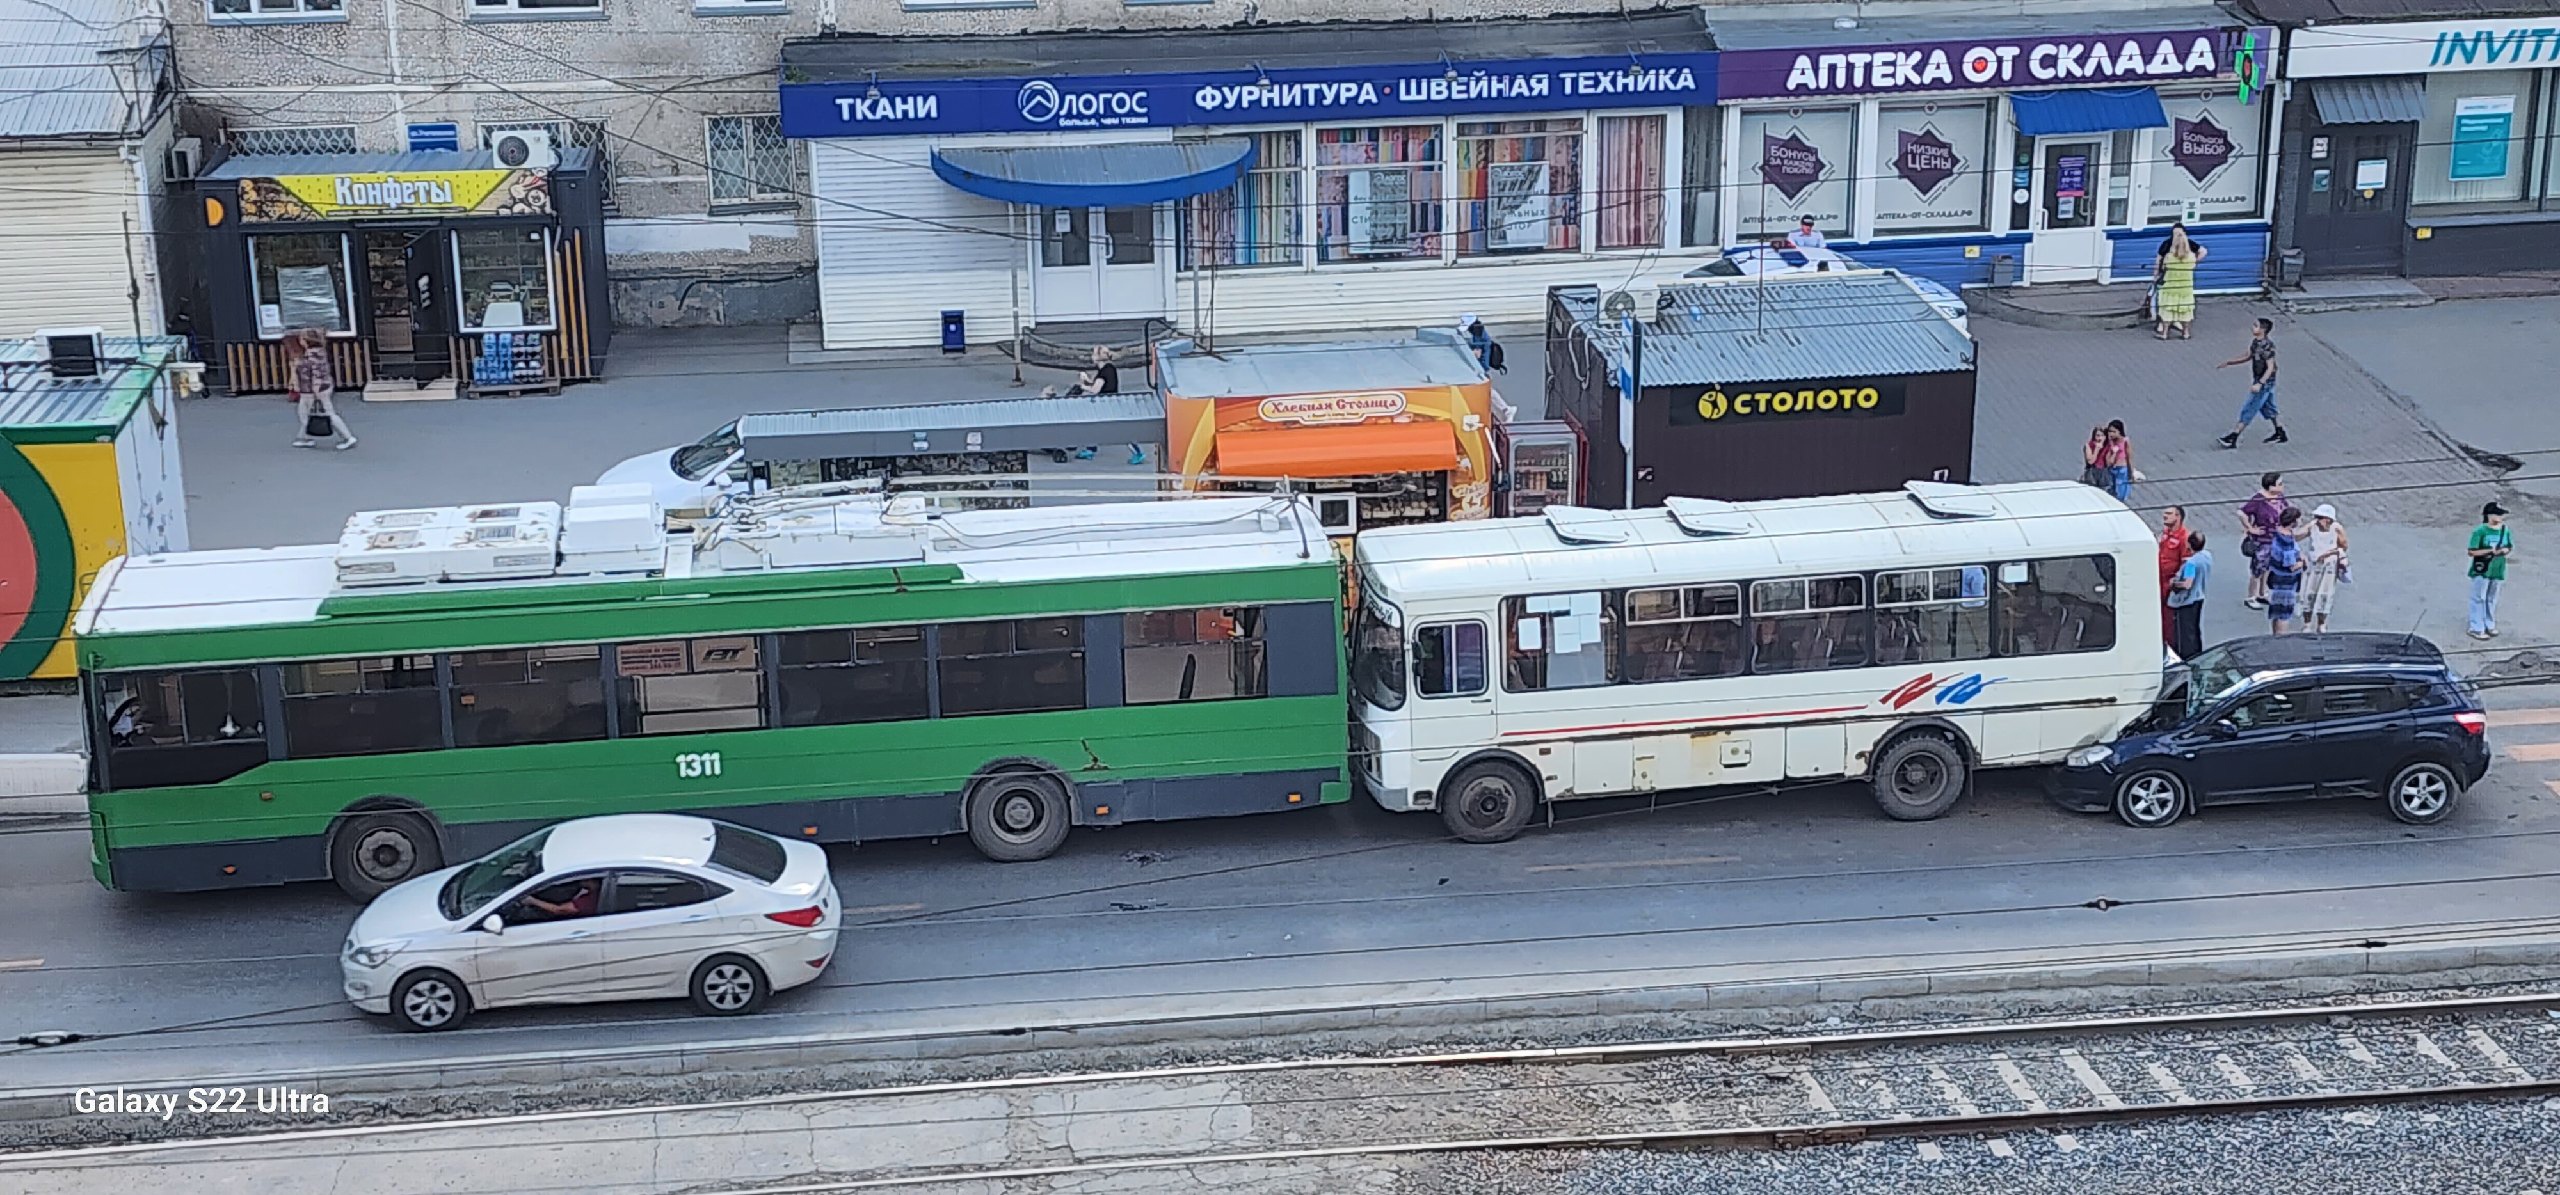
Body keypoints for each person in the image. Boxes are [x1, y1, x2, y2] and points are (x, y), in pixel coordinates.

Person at [2217, 318, 2286, 447]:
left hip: (2264, 382)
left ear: (2263, 330)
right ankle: (2280, 432)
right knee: (2269, 407)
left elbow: (2270, 367)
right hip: (2261, 380)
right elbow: (2248, 356)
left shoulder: (2267, 346)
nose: (2252, 327)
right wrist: (2230, 362)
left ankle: (2234, 436)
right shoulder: (2255, 343)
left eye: (2256, 326)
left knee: (2250, 407)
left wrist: (2260, 383)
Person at [286, 327, 355, 451]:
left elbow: (310, 376)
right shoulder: (320, 353)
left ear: (306, 341)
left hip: (313, 390)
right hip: (324, 387)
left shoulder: (309, 358)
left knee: (325, 413)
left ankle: (348, 437)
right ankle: (303, 437)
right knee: (306, 411)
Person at [2237, 473, 2286, 609]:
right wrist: (2250, 528)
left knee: (2268, 567)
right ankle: (2251, 596)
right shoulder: (2258, 500)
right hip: (2262, 540)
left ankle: (2262, 593)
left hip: (2275, 538)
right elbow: (2241, 512)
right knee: (2258, 569)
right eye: (2279, 484)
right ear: (2270, 486)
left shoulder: (2279, 497)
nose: (2283, 486)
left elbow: (2286, 510)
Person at [2300, 503, 2350, 633]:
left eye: (2321, 517)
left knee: (2325, 594)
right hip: (2313, 565)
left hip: (2328, 566)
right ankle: (2307, 623)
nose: (2318, 520)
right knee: (2309, 592)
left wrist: (2329, 553)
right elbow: (2298, 536)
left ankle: (2321, 623)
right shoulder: (2312, 526)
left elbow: (2343, 546)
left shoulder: (2336, 528)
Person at [2468, 501, 2514, 640]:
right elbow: (2472, 552)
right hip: (2482, 568)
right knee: (2479, 598)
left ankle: (2489, 624)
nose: (2500, 517)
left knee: (2491, 598)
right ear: (2489, 515)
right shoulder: (2480, 531)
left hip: (2497, 569)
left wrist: (2505, 550)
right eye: (2498, 514)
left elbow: (2509, 546)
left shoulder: (2505, 530)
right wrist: (2489, 551)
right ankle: (2476, 627)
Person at [2154, 226, 2204, 340]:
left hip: (2170, 286)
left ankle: (2165, 333)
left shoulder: (2169, 257)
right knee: (2186, 310)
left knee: (2167, 308)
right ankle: (2185, 333)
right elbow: (2195, 262)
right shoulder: (2191, 257)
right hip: (2186, 287)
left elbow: (2163, 266)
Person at [2261, 507, 2305, 634]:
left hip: (2275, 578)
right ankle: (2281, 639)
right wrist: (2302, 563)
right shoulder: (2287, 541)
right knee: (2284, 614)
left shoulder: (2277, 533)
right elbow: (2290, 565)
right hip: (2285, 582)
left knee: (2276, 612)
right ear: (2293, 522)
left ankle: (2275, 636)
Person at [2167, 530, 2212, 658]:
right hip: (2199, 597)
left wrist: (2173, 584)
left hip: (2186, 601)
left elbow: (2187, 584)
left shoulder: (2191, 564)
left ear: (2189, 545)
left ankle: (2186, 657)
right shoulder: (2206, 556)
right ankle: (2198, 654)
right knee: (2195, 629)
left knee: (2185, 633)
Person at [2083, 420, 2144, 502]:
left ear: (2119, 431)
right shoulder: (2109, 443)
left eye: (2113, 431)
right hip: (2111, 470)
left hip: (2122, 469)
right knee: (2110, 493)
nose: (2111, 434)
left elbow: (2129, 457)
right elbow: (2107, 460)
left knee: (2121, 492)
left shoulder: (2125, 441)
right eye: (2110, 431)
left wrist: (2131, 472)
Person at [2157, 506, 2191, 645]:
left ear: (2178, 517)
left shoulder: (2184, 537)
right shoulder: (2165, 533)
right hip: (2159, 579)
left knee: (2168, 619)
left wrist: (2180, 580)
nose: (2164, 516)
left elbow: (2188, 563)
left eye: (2169, 514)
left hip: (2169, 583)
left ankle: (2168, 645)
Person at [523, 878, 598, 920]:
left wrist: (532, 901)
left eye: (587, 880)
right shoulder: (598, 893)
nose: (582, 881)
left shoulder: (589, 901)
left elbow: (559, 910)